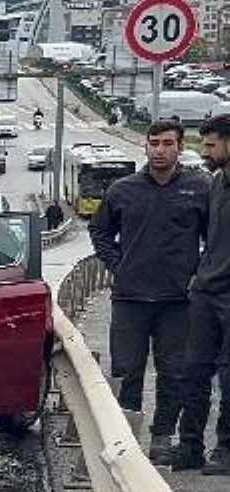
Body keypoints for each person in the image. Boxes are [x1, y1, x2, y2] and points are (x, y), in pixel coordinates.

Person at [89, 120, 211, 462]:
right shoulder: (122, 189)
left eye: (167, 143)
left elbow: (214, 238)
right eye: (153, 143)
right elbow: (100, 233)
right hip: (130, 298)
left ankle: (161, 439)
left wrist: (198, 273)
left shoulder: (199, 187)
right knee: (127, 370)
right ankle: (126, 441)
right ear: (145, 146)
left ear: (179, 147)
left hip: (178, 301)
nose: (159, 150)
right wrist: (119, 265)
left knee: (174, 372)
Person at [172, 114, 230, 473]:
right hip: (206, 292)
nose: (204, 152)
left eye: (210, 145)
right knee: (193, 370)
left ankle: (226, 448)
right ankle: (190, 445)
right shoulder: (217, 183)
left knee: (229, 375)